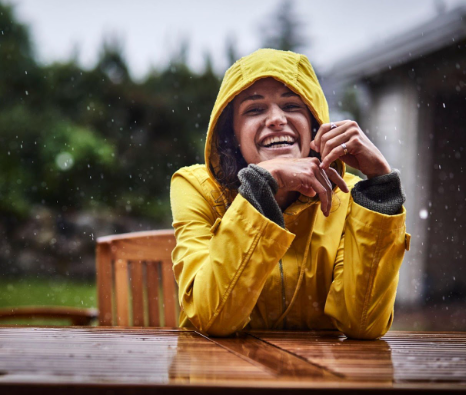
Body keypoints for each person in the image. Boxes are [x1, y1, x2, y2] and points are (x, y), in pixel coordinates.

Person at [169, 48, 409, 339]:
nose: (276, 119)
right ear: (231, 134)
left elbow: (363, 324)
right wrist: (262, 184)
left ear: (315, 125)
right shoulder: (196, 187)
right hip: (220, 377)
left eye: (292, 106)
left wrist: (380, 184)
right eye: (255, 110)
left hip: (323, 378)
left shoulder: (349, 197)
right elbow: (213, 318)